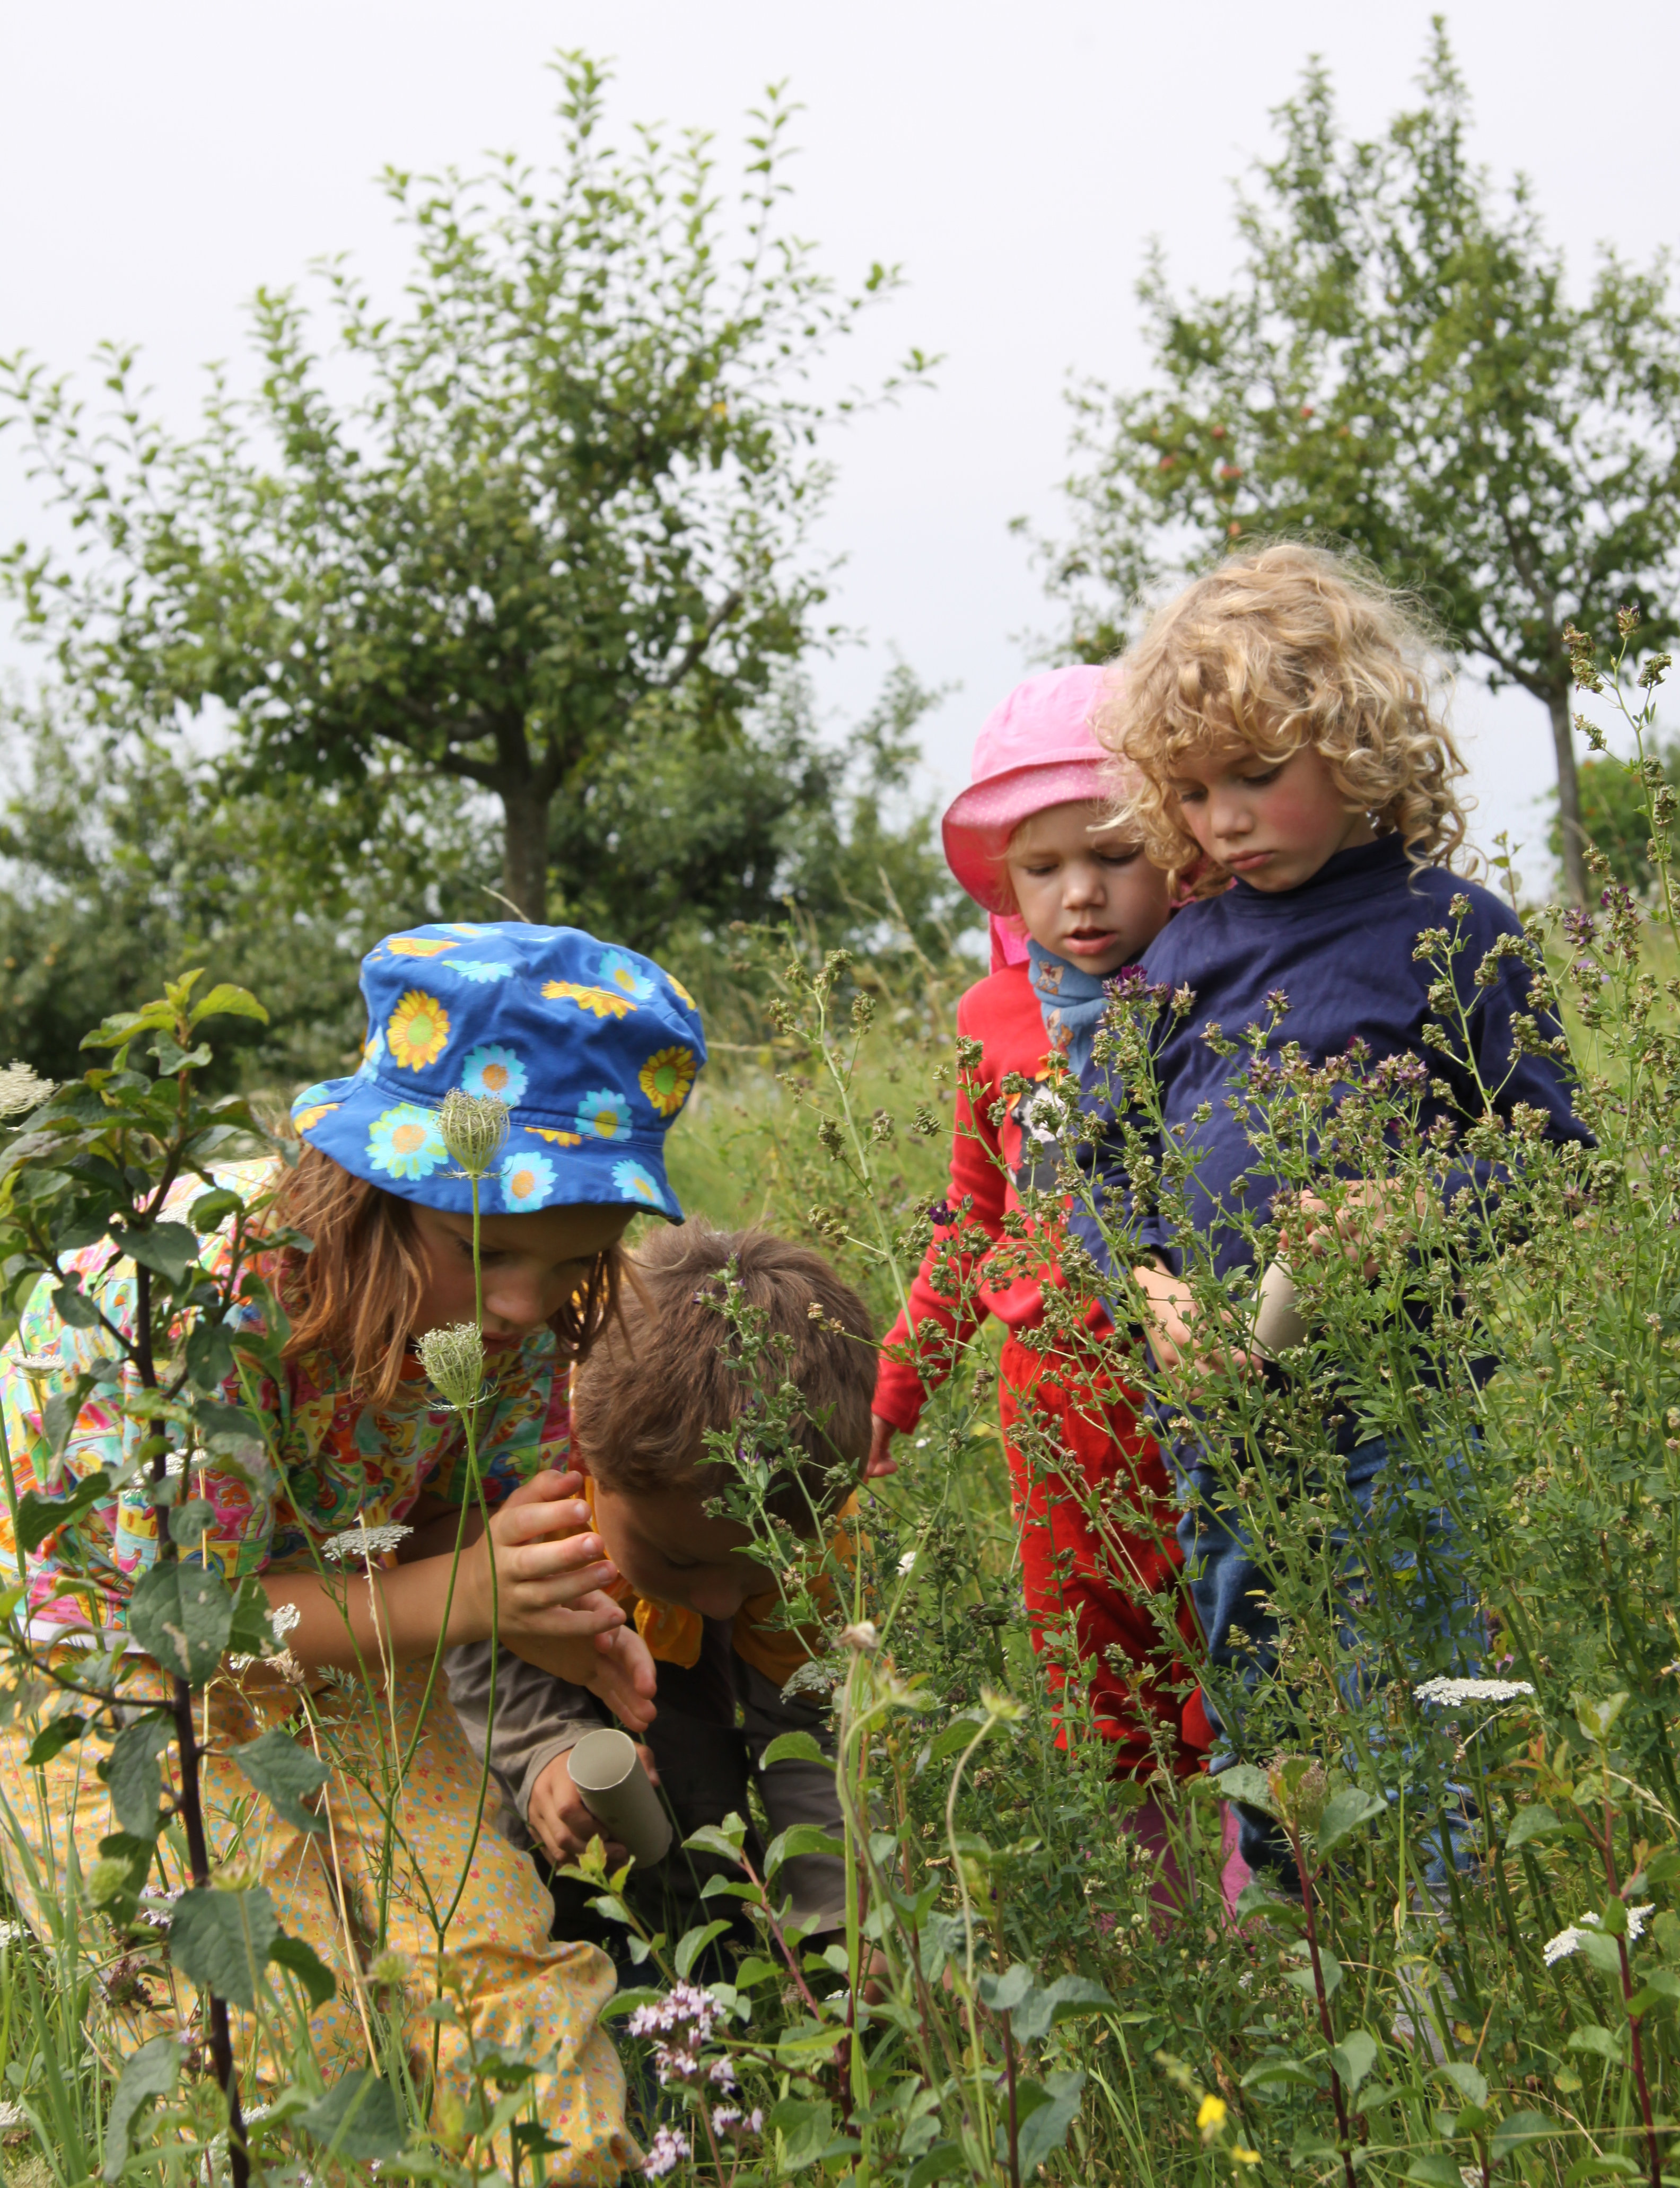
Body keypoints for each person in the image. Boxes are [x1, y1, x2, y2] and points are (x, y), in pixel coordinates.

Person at [0, 921, 709, 2180]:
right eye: (488, 1247)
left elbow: (448, 1525)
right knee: (264, 2009)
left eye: (576, 1263)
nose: (524, 1305)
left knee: (486, 1941)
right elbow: (189, 1623)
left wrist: (536, 1604)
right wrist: (470, 1591)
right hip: (108, 1662)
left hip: (349, 1616)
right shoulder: (217, 1301)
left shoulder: (523, 1316)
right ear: (377, 1184)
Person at [1073, 542, 1591, 1880]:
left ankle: (1447, 1907)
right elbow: (1101, 1160)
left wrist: (1414, 1206)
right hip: (1229, 1412)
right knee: (1253, 1647)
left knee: (1418, 1637)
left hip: (1398, 1393)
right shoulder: (1184, 948)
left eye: (1257, 773)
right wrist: (1155, 1287)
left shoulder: (1456, 928)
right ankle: (1296, 1906)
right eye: (1192, 792)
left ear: (1358, 744)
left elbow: (1559, 1156)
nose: (1225, 817)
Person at [868, 665, 1209, 1879]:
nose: (1082, 892)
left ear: (1175, 846)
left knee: (1231, 1640)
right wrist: (893, 1388)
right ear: (1004, 885)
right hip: (1053, 1397)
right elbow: (974, 1219)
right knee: (1095, 1663)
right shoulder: (994, 1020)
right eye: (1043, 865)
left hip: (1198, 1385)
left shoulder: (1212, 990)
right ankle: (1162, 1919)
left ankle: (1279, 1920)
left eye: (1114, 852)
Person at [448, 1220, 874, 1942]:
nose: (720, 1600)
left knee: (693, 1805)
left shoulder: (807, 1534)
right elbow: (469, 1634)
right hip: (520, 1625)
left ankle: (696, 1943)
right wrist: (544, 1749)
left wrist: (841, 1932)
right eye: (683, 1561)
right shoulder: (525, 1460)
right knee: (524, 1814)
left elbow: (800, 1733)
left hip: (650, 1635)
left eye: (757, 1566)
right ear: (588, 1464)